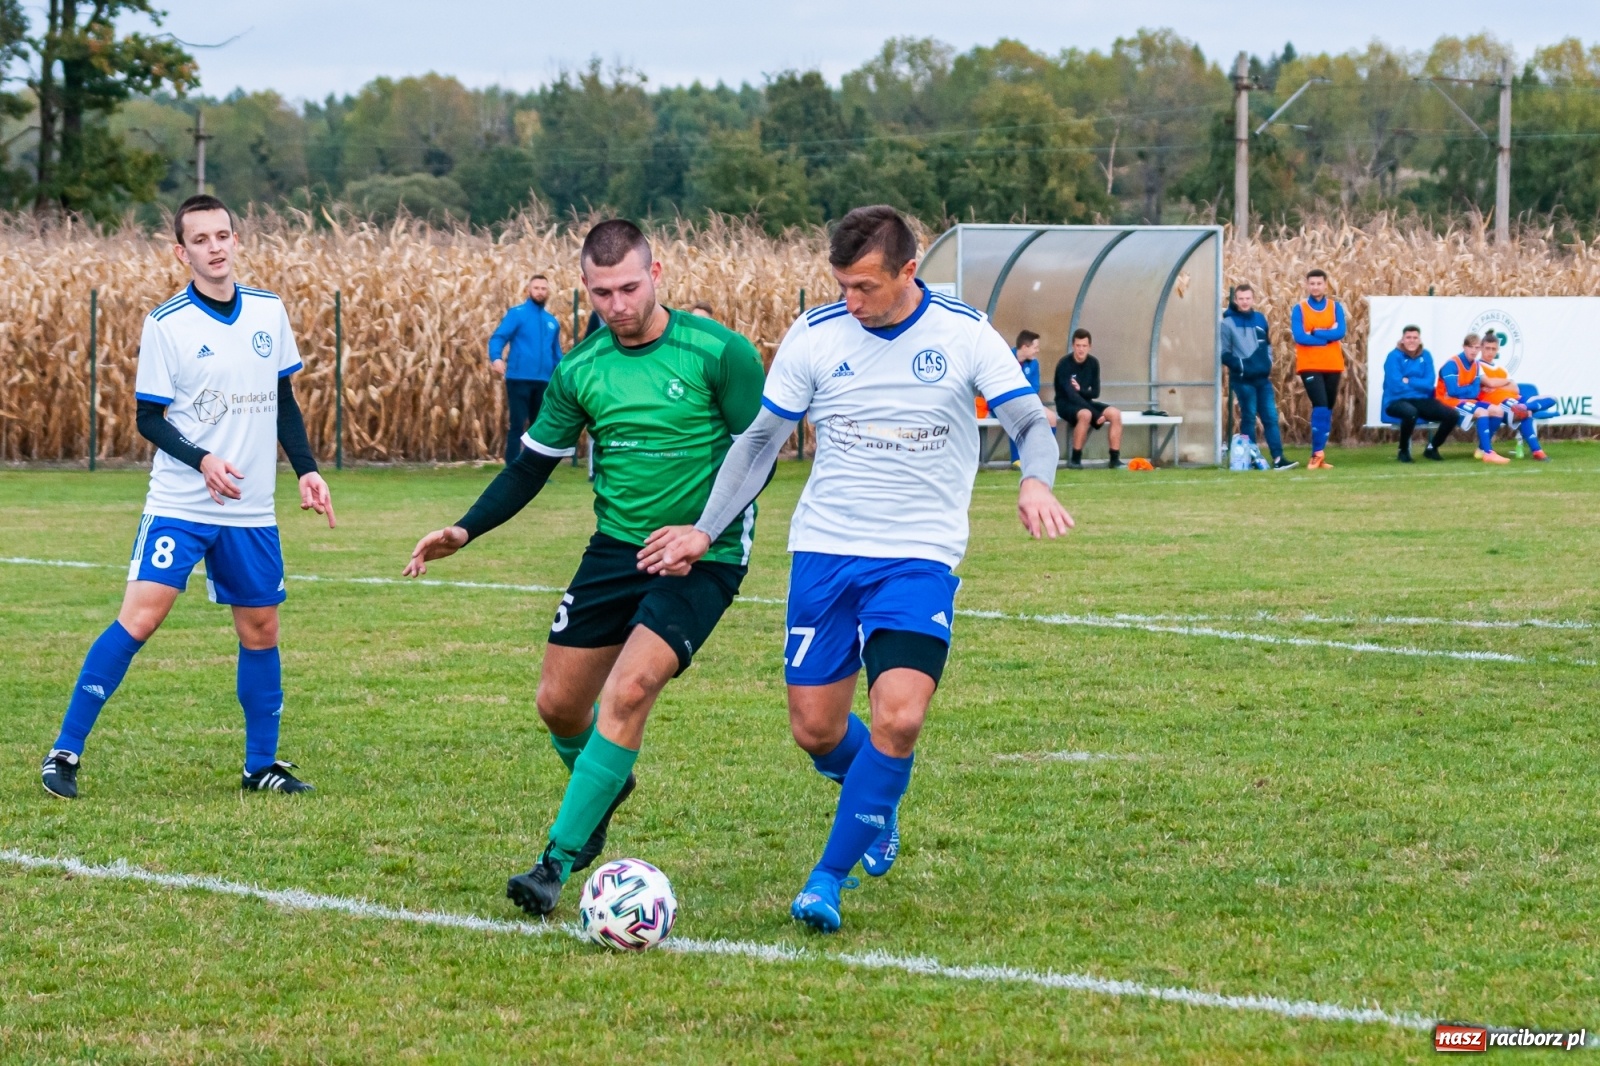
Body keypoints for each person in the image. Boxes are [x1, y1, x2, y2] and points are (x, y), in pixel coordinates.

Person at [636, 205, 1072, 934]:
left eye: (865, 286)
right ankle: (876, 795)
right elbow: (759, 442)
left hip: (917, 556)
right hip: (826, 552)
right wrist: (704, 531)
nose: (850, 301)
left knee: (899, 717)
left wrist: (1036, 479)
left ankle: (825, 880)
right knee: (815, 730)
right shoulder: (817, 336)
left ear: (909, 271)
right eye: (841, 284)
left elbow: (1031, 421)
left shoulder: (963, 333)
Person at [403, 219, 765, 917]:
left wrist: (701, 532)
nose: (618, 304)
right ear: (585, 289)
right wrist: (464, 529)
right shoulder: (582, 369)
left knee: (629, 693)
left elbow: (758, 456)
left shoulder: (720, 353)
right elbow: (531, 468)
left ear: (657, 274)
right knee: (559, 705)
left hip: (704, 553)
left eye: (630, 287)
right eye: (602, 293)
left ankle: (555, 863)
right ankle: (607, 779)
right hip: (615, 549)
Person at [39, 194, 336, 800]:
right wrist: (201, 460)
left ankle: (261, 766)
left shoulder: (267, 311)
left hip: (250, 507)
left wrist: (305, 469)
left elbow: (282, 400)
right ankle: (64, 752)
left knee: (261, 628)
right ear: (182, 252)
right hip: (182, 501)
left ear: (235, 239)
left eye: (223, 235)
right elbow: (148, 418)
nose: (215, 247)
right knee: (140, 618)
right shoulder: (166, 323)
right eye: (200, 240)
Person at [488, 275, 565, 465]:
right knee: (517, 425)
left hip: (544, 381)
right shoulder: (517, 314)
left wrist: (564, 376)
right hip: (519, 378)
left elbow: (556, 353)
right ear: (529, 291)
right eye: (537, 288)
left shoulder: (551, 322)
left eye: (544, 289)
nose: (540, 292)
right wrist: (496, 357)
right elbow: (498, 337)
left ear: (548, 292)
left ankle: (535, 470)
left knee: (539, 428)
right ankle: (512, 468)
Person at [1219, 283, 1294, 470]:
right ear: (1235, 300)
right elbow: (1224, 353)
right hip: (1243, 380)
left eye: (1248, 298)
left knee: (1270, 418)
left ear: (1253, 299)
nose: (1244, 302)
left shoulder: (1260, 319)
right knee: (1249, 417)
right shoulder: (1227, 323)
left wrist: (1267, 362)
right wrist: (1242, 366)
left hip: (1262, 379)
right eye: (1241, 299)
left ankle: (1278, 458)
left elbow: (1267, 344)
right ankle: (1250, 459)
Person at [1290, 268, 1347, 469]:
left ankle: (1320, 453)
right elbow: (1299, 336)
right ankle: (1316, 454)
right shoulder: (1300, 309)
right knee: (1320, 404)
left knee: (1327, 408)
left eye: (1319, 283)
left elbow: (1340, 332)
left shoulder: (1335, 307)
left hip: (1333, 365)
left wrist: (1314, 332)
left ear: (1325, 285)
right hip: (1310, 365)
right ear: (1307, 285)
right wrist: (1326, 338)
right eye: (1312, 283)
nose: (1315, 287)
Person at [1379, 325, 1456, 462]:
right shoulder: (1393, 357)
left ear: (1419, 340)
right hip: (1396, 400)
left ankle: (1432, 448)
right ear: (1402, 340)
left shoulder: (1426, 355)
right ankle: (1403, 451)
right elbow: (1396, 385)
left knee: (1452, 415)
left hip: (1421, 400)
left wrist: (1409, 380)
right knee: (1410, 412)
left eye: (1415, 338)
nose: (1411, 341)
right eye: (1408, 337)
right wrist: (1417, 384)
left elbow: (1429, 383)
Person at [1435, 332, 1511, 464]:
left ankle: (1482, 448)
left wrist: (1465, 390)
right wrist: (1468, 389)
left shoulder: (1476, 365)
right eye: (1471, 347)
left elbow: (1475, 392)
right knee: (1482, 412)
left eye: (1477, 348)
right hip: (1447, 401)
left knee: (1498, 411)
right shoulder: (1452, 364)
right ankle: (1488, 453)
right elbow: (1452, 392)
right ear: (1464, 347)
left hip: (1466, 400)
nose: (1474, 351)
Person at [1053, 328, 1123, 468]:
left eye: (1084, 346)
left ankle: (1114, 459)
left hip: (1085, 402)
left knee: (1115, 414)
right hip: (1065, 403)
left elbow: (1095, 392)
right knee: (1086, 414)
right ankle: (1075, 459)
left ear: (1089, 347)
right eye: (1078, 346)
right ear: (1073, 346)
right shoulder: (1064, 364)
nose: (1081, 349)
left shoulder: (1093, 363)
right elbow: (1070, 395)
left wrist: (1081, 390)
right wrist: (1096, 415)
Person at [1477, 333, 1553, 461]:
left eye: (1493, 349)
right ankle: (1537, 451)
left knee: (1551, 399)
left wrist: (1496, 385)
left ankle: (1526, 406)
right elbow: (1489, 383)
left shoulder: (1502, 369)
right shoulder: (1477, 366)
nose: (1490, 352)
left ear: (1497, 350)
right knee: (1525, 413)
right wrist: (1503, 383)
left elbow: (1515, 388)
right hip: (1497, 403)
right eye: (1487, 348)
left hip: (1516, 400)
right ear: (1481, 348)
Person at [1006, 330, 1057, 467]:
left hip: (1028, 401)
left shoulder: (1034, 364)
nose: (1037, 351)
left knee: (1051, 417)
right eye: (1035, 347)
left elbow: (1035, 387)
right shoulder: (1005, 359)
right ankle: (1017, 458)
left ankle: (1046, 456)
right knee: (1017, 414)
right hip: (1004, 403)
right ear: (1024, 347)